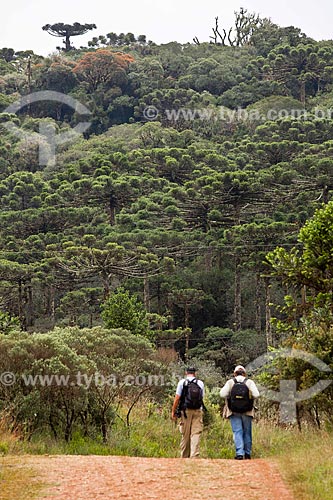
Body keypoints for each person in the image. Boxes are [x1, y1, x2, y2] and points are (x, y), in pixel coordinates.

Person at [220, 365, 259, 460]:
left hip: (233, 411)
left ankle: (239, 453)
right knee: (247, 432)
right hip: (247, 411)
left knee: (237, 431)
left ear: (234, 373)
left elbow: (222, 394)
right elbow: (256, 394)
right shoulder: (249, 382)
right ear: (244, 373)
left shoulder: (230, 382)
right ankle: (247, 453)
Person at [171, 366, 205, 458]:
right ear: (195, 373)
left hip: (185, 411)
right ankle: (194, 456)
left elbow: (177, 398)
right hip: (197, 410)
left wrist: (173, 411)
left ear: (186, 372)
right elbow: (202, 398)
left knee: (185, 435)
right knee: (196, 433)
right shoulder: (200, 383)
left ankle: (184, 456)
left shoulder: (182, 382)